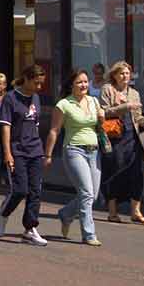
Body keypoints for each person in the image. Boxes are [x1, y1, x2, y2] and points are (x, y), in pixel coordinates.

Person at [44, 69, 106, 247]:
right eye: (79, 82)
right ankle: (88, 234)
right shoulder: (64, 104)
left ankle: (66, 214)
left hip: (94, 151)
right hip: (74, 150)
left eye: (86, 82)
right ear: (71, 85)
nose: (84, 85)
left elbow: (99, 126)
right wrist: (48, 155)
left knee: (92, 196)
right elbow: (54, 130)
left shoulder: (94, 101)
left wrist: (101, 118)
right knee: (86, 192)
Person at [0, 65, 49, 246]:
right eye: (36, 83)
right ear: (26, 78)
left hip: (35, 150)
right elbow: (6, 127)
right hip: (17, 150)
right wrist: (8, 153)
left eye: (41, 84)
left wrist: (43, 152)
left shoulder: (36, 98)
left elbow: (35, 124)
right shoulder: (10, 98)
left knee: (35, 191)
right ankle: (2, 214)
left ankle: (30, 228)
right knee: (20, 190)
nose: (39, 87)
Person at [99, 61, 144, 225]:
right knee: (114, 172)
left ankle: (136, 211)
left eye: (127, 73)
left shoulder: (134, 93)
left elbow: (137, 117)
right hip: (114, 137)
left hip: (132, 136)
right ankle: (112, 211)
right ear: (114, 75)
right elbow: (104, 112)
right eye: (121, 73)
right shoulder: (107, 90)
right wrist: (125, 106)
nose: (125, 76)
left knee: (136, 173)